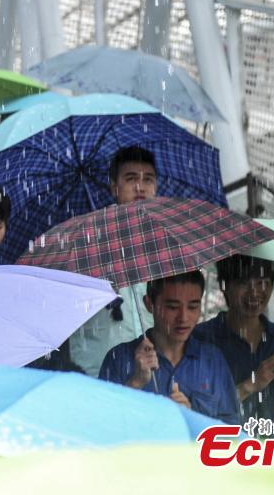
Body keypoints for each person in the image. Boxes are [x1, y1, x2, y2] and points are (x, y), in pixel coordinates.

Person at [99, 270, 240, 424]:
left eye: (192, 307)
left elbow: (232, 430)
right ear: (149, 304)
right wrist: (135, 383)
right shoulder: (118, 359)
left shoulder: (213, 361)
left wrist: (192, 420)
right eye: (173, 307)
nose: (183, 318)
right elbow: (102, 427)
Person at [194, 255, 274, 427]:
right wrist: (250, 385)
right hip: (219, 450)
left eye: (262, 282)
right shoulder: (201, 338)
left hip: (267, 452)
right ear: (224, 286)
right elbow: (199, 412)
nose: (255, 292)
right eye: (244, 283)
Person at [70, 146, 158, 376]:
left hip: (155, 369)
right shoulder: (86, 240)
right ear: (114, 187)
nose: (140, 187)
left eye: (148, 179)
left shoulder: (164, 241)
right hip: (100, 370)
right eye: (131, 179)